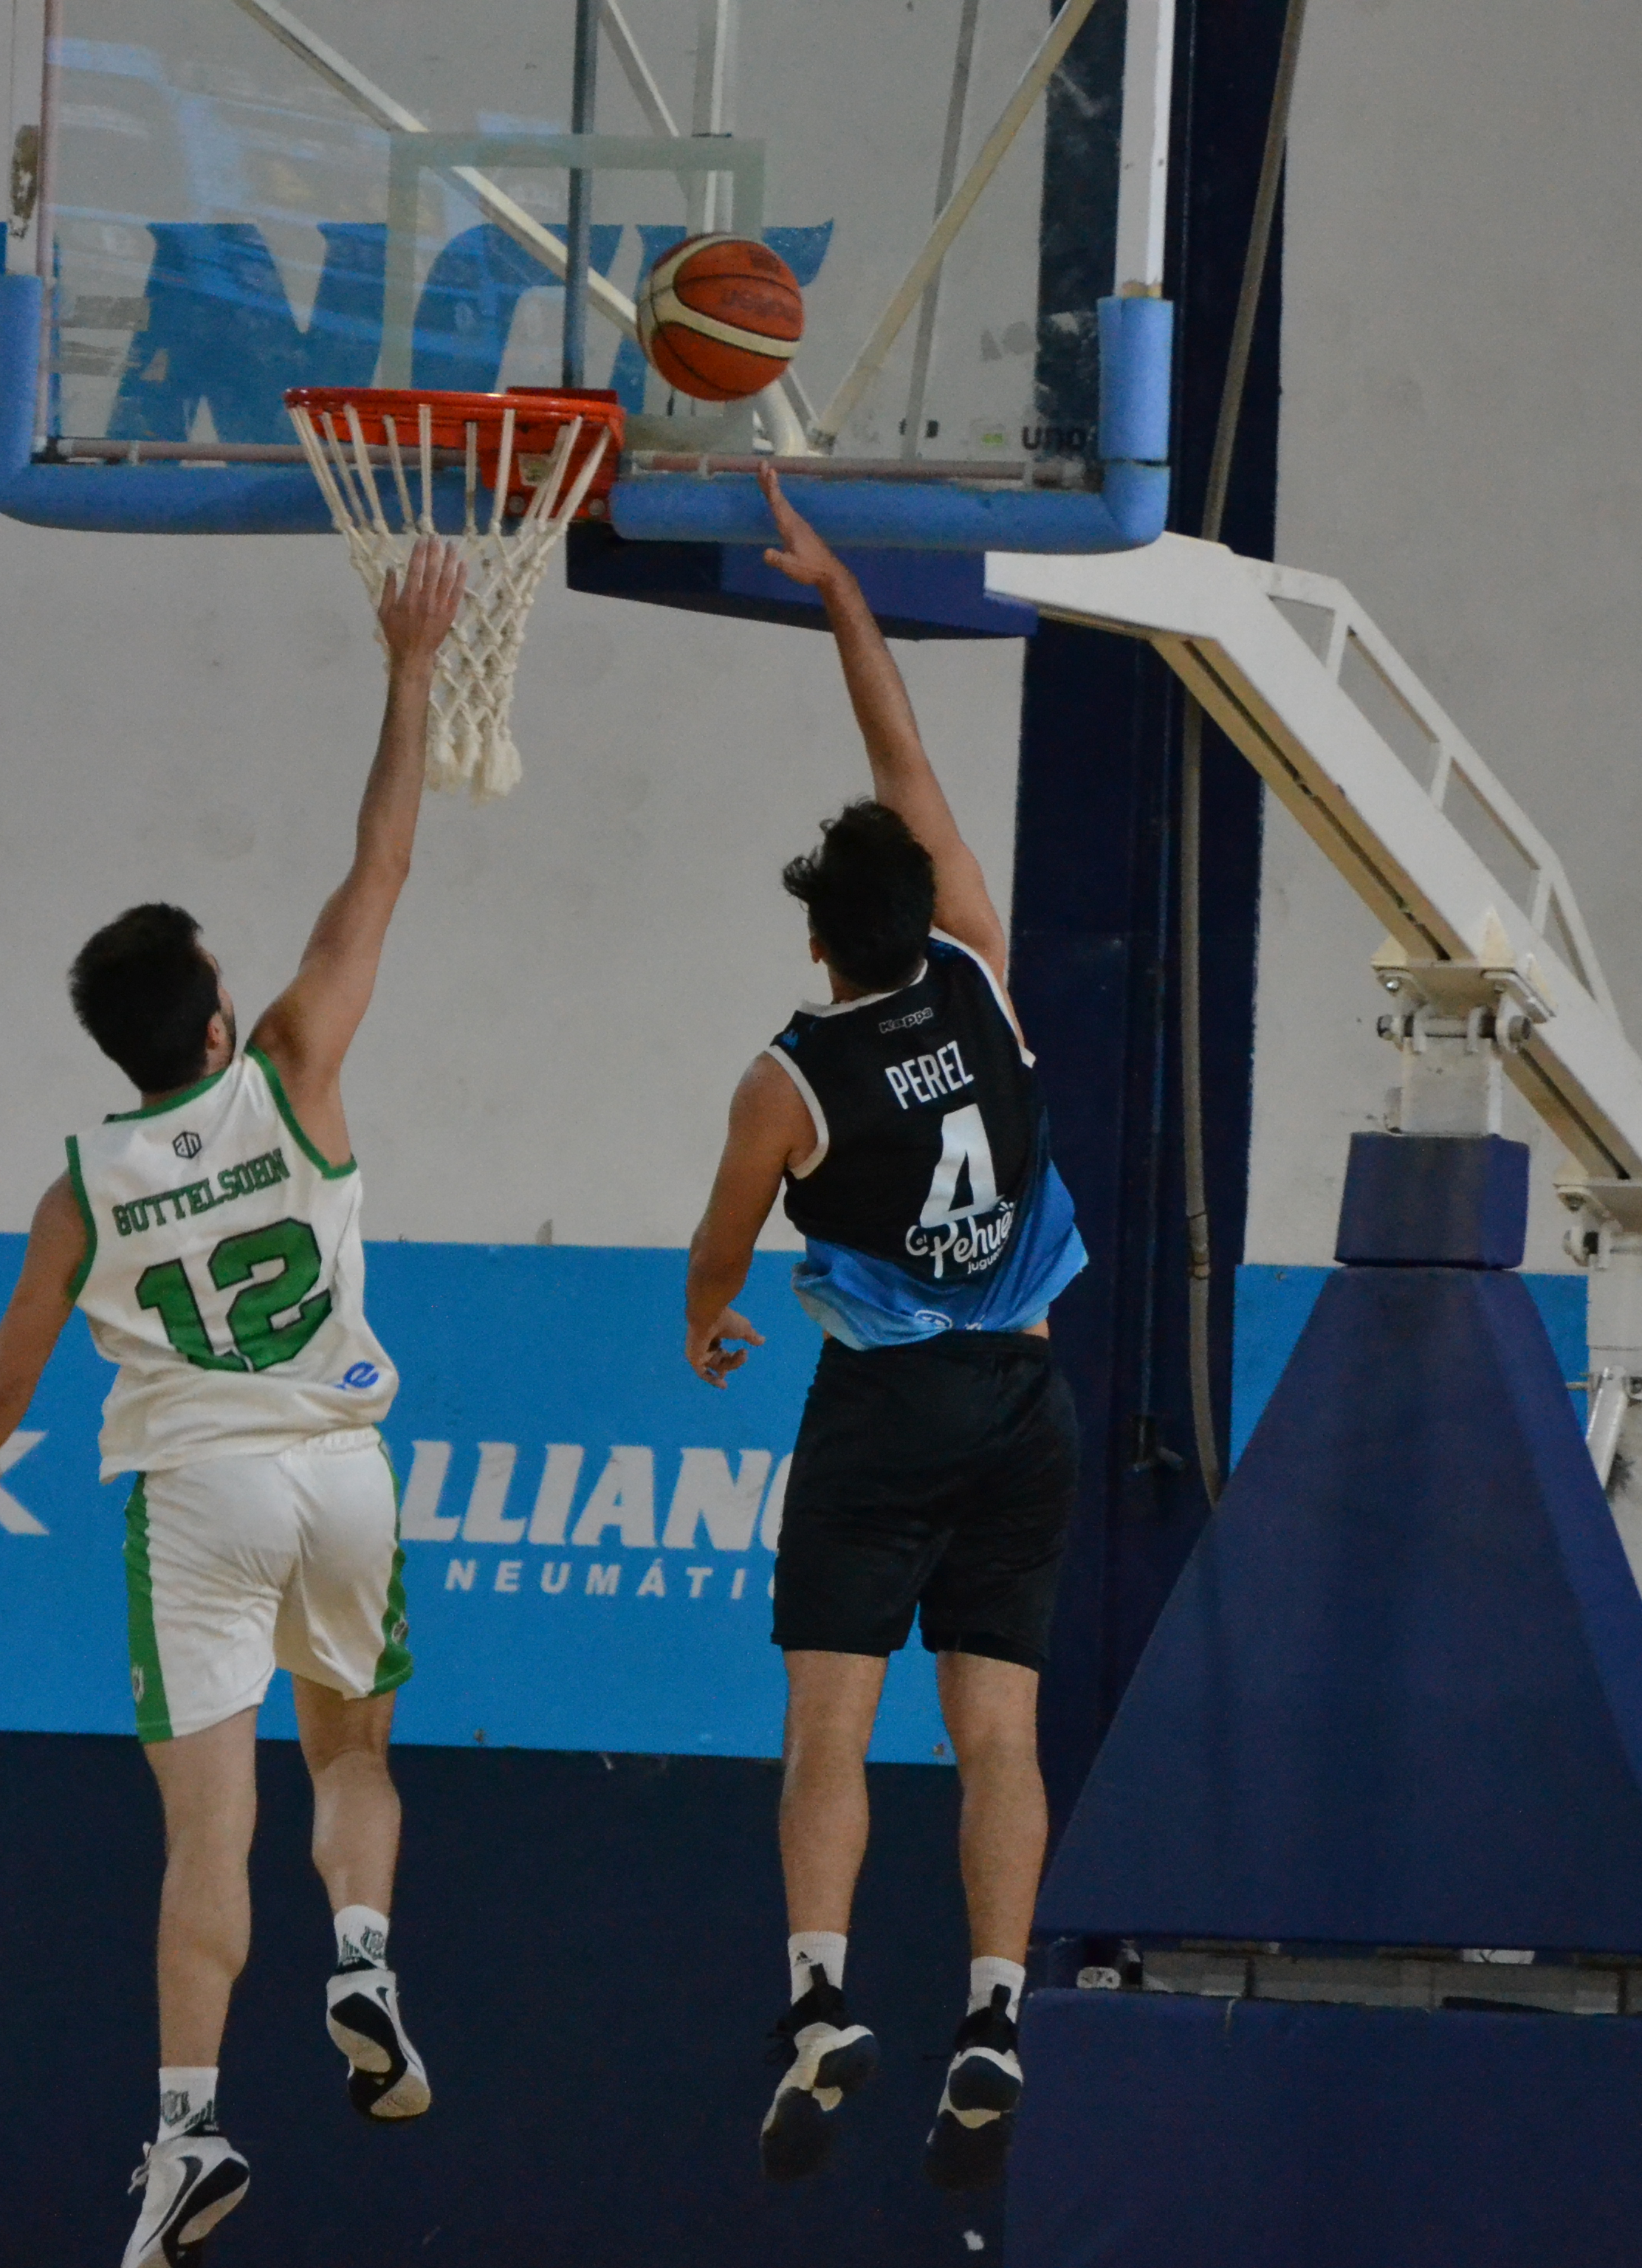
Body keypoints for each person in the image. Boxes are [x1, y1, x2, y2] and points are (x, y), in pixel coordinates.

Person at [0, 544, 465, 2268]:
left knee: (205, 1832)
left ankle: (185, 2142)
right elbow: (382, 860)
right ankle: (365, 1962)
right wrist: (405, 669)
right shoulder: (298, 1066)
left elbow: (12, 1362)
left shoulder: (80, 1183)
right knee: (354, 1753)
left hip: (196, 1499)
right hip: (345, 1472)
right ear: (221, 1012)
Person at [682, 470, 1089, 2194]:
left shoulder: (792, 1076)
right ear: (916, 909)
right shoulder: (985, 966)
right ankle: (995, 2011)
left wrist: (706, 1322)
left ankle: (825, 2001)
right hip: (1030, 1401)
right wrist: (846, 597)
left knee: (828, 1735)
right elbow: (907, 760)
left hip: (890, 1411)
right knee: (999, 1734)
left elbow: (717, 1251)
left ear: (815, 942)